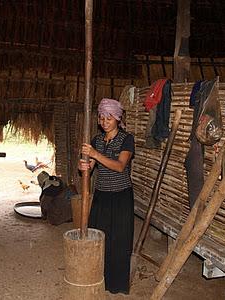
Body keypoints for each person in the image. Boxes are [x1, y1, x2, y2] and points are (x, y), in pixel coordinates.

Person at [78, 98, 135, 294]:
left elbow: (120, 166)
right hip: (101, 195)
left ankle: (116, 284)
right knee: (99, 237)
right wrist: (84, 165)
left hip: (120, 197)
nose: (104, 122)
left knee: (118, 241)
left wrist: (94, 154)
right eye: (101, 117)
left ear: (117, 118)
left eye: (108, 118)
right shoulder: (96, 140)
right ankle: (97, 278)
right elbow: (90, 167)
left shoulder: (126, 139)